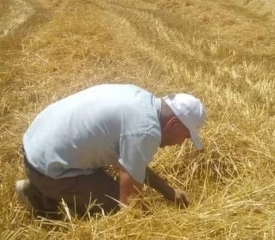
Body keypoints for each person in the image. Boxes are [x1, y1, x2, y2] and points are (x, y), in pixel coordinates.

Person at [16, 83, 206, 218]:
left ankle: (39, 188)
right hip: (48, 170)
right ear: (173, 124)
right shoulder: (146, 130)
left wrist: (168, 191)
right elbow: (129, 205)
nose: (181, 143)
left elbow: (133, 167)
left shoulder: (139, 99)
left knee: (107, 184)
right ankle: (40, 198)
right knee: (113, 205)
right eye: (186, 136)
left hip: (34, 149)